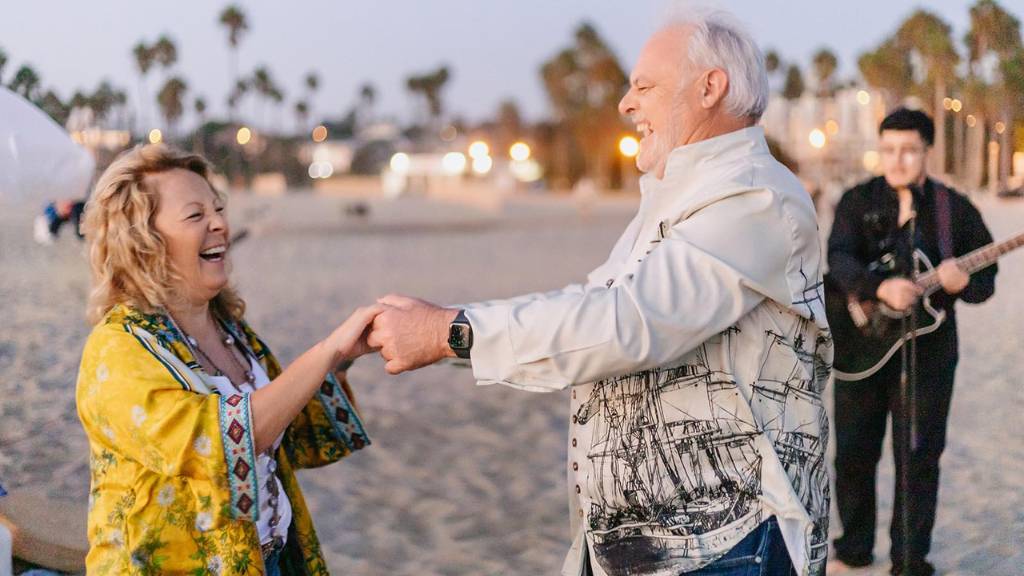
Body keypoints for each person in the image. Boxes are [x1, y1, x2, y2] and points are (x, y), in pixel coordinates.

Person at [367, 8, 832, 576]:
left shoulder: (757, 200)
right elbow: (586, 317)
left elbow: (625, 324)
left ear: (711, 87)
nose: (626, 104)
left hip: (729, 546)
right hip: (633, 547)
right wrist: (447, 333)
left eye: (644, 86)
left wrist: (450, 332)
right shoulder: (673, 201)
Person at [76, 145, 381, 575]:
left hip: (267, 560)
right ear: (142, 241)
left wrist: (343, 360)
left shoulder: (232, 331)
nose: (220, 223)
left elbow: (294, 436)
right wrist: (326, 349)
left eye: (218, 209)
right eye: (195, 215)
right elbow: (219, 444)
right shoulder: (118, 349)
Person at [827, 108, 996, 576]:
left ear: (927, 151)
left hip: (930, 353)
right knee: (854, 455)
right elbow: (838, 258)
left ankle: (908, 560)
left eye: (908, 150)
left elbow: (988, 281)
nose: (897, 159)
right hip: (860, 349)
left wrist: (962, 283)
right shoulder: (856, 201)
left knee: (919, 458)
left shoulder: (953, 209)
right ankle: (854, 549)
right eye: (888, 150)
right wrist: (878, 288)